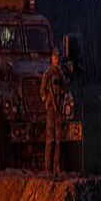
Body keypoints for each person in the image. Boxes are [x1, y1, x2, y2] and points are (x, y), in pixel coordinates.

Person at [39, 48, 66, 176]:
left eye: (57, 57)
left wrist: (61, 98)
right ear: (51, 58)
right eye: (54, 57)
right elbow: (42, 90)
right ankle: (48, 168)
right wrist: (46, 101)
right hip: (50, 110)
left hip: (58, 110)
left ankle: (57, 167)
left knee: (58, 140)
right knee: (49, 140)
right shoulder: (48, 74)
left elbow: (64, 88)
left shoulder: (60, 74)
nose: (56, 59)